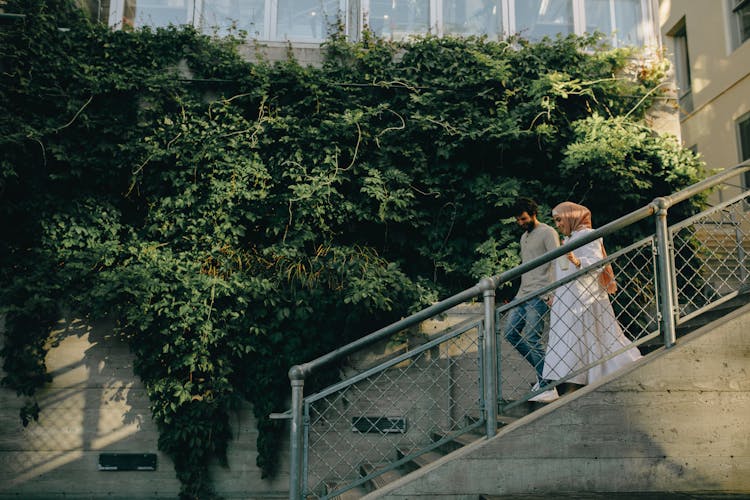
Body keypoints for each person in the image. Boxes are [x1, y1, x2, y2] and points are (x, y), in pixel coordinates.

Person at [543, 201, 642, 395]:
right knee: (569, 337)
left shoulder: (589, 235)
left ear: (572, 216)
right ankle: (570, 379)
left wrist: (578, 260)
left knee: (585, 335)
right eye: (555, 221)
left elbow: (597, 263)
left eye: (559, 219)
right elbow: (563, 270)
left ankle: (583, 378)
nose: (558, 225)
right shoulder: (569, 239)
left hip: (583, 297)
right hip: (568, 298)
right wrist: (556, 294)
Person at [500, 198, 560, 403]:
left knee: (533, 337)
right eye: (517, 220)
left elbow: (558, 261)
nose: (521, 223)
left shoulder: (548, 232)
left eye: (523, 218)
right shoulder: (523, 237)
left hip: (540, 293)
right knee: (510, 333)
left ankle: (549, 384)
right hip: (523, 293)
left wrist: (554, 292)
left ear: (533, 213)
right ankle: (543, 374)